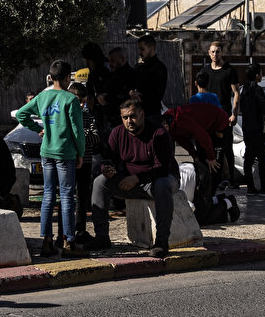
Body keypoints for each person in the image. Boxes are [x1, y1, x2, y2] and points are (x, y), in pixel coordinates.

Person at [83, 97, 178, 257]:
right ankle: (102, 237)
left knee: (162, 185)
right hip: (130, 182)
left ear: (142, 114)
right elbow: (108, 158)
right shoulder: (117, 133)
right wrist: (107, 168)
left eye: (132, 116)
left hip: (159, 179)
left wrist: (137, 178)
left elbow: (162, 168)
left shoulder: (159, 133)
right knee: (100, 181)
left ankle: (162, 242)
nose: (129, 121)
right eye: (125, 117)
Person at [16, 62, 87, 257]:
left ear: (50, 77)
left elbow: (22, 114)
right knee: (66, 197)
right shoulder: (70, 100)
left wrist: (39, 129)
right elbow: (77, 131)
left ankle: (46, 242)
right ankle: (68, 242)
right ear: (67, 78)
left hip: (46, 151)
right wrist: (80, 152)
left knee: (47, 196)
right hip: (65, 153)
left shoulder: (42, 97)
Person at [161, 102, 236, 224]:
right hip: (204, 130)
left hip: (217, 122)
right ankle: (221, 201)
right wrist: (194, 156)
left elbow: (202, 135)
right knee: (202, 160)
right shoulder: (171, 128)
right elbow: (183, 141)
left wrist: (211, 157)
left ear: (166, 126)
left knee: (214, 164)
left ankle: (218, 197)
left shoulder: (180, 120)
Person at [65, 82, 99, 240]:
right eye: (78, 100)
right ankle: (66, 231)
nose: (81, 104)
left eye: (83, 101)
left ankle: (80, 229)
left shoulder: (87, 116)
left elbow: (95, 136)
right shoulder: (64, 117)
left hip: (85, 161)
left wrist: (77, 134)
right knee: (67, 196)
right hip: (68, 161)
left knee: (82, 196)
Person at [204, 41, 241, 183]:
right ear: (208, 52)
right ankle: (214, 178)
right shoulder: (205, 71)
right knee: (210, 146)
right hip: (209, 115)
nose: (215, 54)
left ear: (222, 52)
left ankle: (230, 178)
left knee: (226, 147)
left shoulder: (229, 70)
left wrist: (234, 114)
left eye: (218, 51)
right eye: (212, 52)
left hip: (224, 114)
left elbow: (236, 93)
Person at [239, 62, 265, 194]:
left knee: (249, 159)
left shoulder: (244, 89)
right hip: (257, 130)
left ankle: (250, 186)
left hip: (247, 128)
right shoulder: (257, 90)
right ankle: (264, 186)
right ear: (257, 75)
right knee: (262, 159)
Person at [98, 47, 136, 127]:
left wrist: (107, 98)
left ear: (122, 60)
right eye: (109, 61)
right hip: (110, 119)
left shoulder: (130, 75)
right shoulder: (112, 74)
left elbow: (125, 96)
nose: (110, 64)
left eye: (113, 61)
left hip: (121, 120)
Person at [133, 35, 167, 120]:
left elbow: (158, 95)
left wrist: (140, 97)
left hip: (151, 115)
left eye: (142, 49)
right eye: (139, 49)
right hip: (137, 114)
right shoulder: (138, 66)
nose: (139, 52)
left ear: (151, 48)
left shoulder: (159, 68)